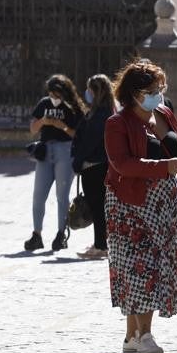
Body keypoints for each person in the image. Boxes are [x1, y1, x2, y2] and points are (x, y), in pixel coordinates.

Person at [104, 60, 177, 353]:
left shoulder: (165, 112)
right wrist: (163, 167)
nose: (159, 94)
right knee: (138, 268)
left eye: (161, 88)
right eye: (152, 90)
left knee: (157, 265)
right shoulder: (117, 123)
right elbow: (122, 163)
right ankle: (145, 336)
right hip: (129, 204)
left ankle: (132, 335)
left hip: (164, 203)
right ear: (133, 93)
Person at [24, 74, 85, 252]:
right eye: (51, 94)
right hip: (45, 150)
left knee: (62, 196)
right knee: (38, 195)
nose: (54, 98)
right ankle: (37, 234)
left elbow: (78, 135)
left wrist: (63, 127)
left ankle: (61, 234)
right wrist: (43, 121)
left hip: (65, 151)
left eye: (57, 94)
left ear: (65, 93)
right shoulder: (44, 104)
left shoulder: (73, 107)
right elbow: (33, 128)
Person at [73, 74, 114, 260]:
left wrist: (78, 161)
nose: (87, 93)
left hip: (94, 165)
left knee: (97, 207)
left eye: (90, 90)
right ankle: (100, 242)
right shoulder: (101, 111)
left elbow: (89, 142)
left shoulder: (100, 115)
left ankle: (101, 246)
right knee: (99, 207)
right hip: (98, 165)